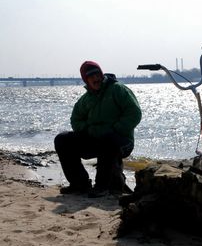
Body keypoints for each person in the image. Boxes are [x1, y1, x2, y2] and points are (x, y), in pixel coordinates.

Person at [54, 61, 142, 197]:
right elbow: (75, 119)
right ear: (86, 80)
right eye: (91, 76)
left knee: (108, 140)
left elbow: (134, 113)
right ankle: (79, 184)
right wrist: (88, 131)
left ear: (101, 74)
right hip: (95, 140)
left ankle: (102, 186)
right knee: (62, 139)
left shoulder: (118, 89)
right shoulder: (85, 99)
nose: (95, 78)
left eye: (97, 74)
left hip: (121, 141)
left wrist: (115, 129)